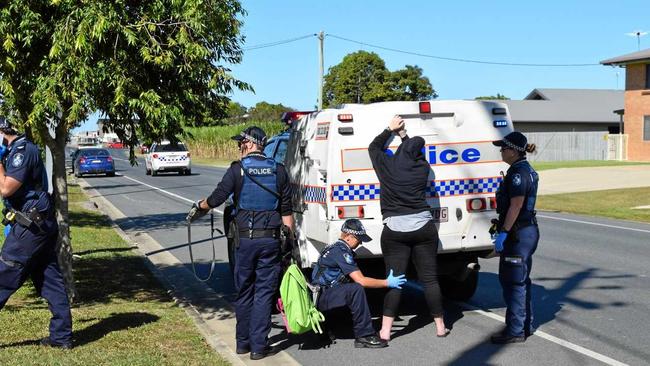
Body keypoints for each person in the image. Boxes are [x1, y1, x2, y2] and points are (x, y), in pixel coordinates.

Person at [187, 126, 293, 360]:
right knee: (264, 293)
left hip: (244, 242)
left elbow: (215, 199)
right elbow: (287, 214)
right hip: (271, 242)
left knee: (244, 291)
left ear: (251, 143)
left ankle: (243, 344)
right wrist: (289, 247)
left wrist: (198, 207)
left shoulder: (237, 170)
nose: (239, 147)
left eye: (241, 142)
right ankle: (258, 346)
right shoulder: (279, 171)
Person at [368, 115, 450, 341]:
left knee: (395, 280)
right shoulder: (422, 168)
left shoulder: (387, 165)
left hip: (395, 229)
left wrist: (390, 129)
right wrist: (404, 135)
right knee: (430, 279)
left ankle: (385, 331)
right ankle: (440, 326)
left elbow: (374, 147)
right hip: (423, 226)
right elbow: (414, 151)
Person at [0, 117, 73, 349]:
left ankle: (61, 337)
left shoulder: (23, 151)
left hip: (31, 228)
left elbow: (5, 187)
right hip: (38, 225)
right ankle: (61, 338)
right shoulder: (14, 151)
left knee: (3, 275)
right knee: (50, 280)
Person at [311, 219, 406, 348]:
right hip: (324, 298)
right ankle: (364, 335)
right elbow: (361, 280)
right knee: (356, 288)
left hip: (322, 296)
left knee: (352, 286)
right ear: (349, 237)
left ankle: (326, 327)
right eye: (359, 239)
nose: (360, 242)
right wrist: (387, 282)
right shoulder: (341, 252)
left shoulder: (333, 247)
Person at [490, 131, 539, 344]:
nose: (501, 151)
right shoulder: (518, 170)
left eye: (503, 148)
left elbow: (516, 204)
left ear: (513, 150)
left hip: (519, 233)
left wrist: (504, 232)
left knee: (514, 282)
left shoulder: (519, 173)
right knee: (517, 280)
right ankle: (522, 325)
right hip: (522, 231)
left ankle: (516, 330)